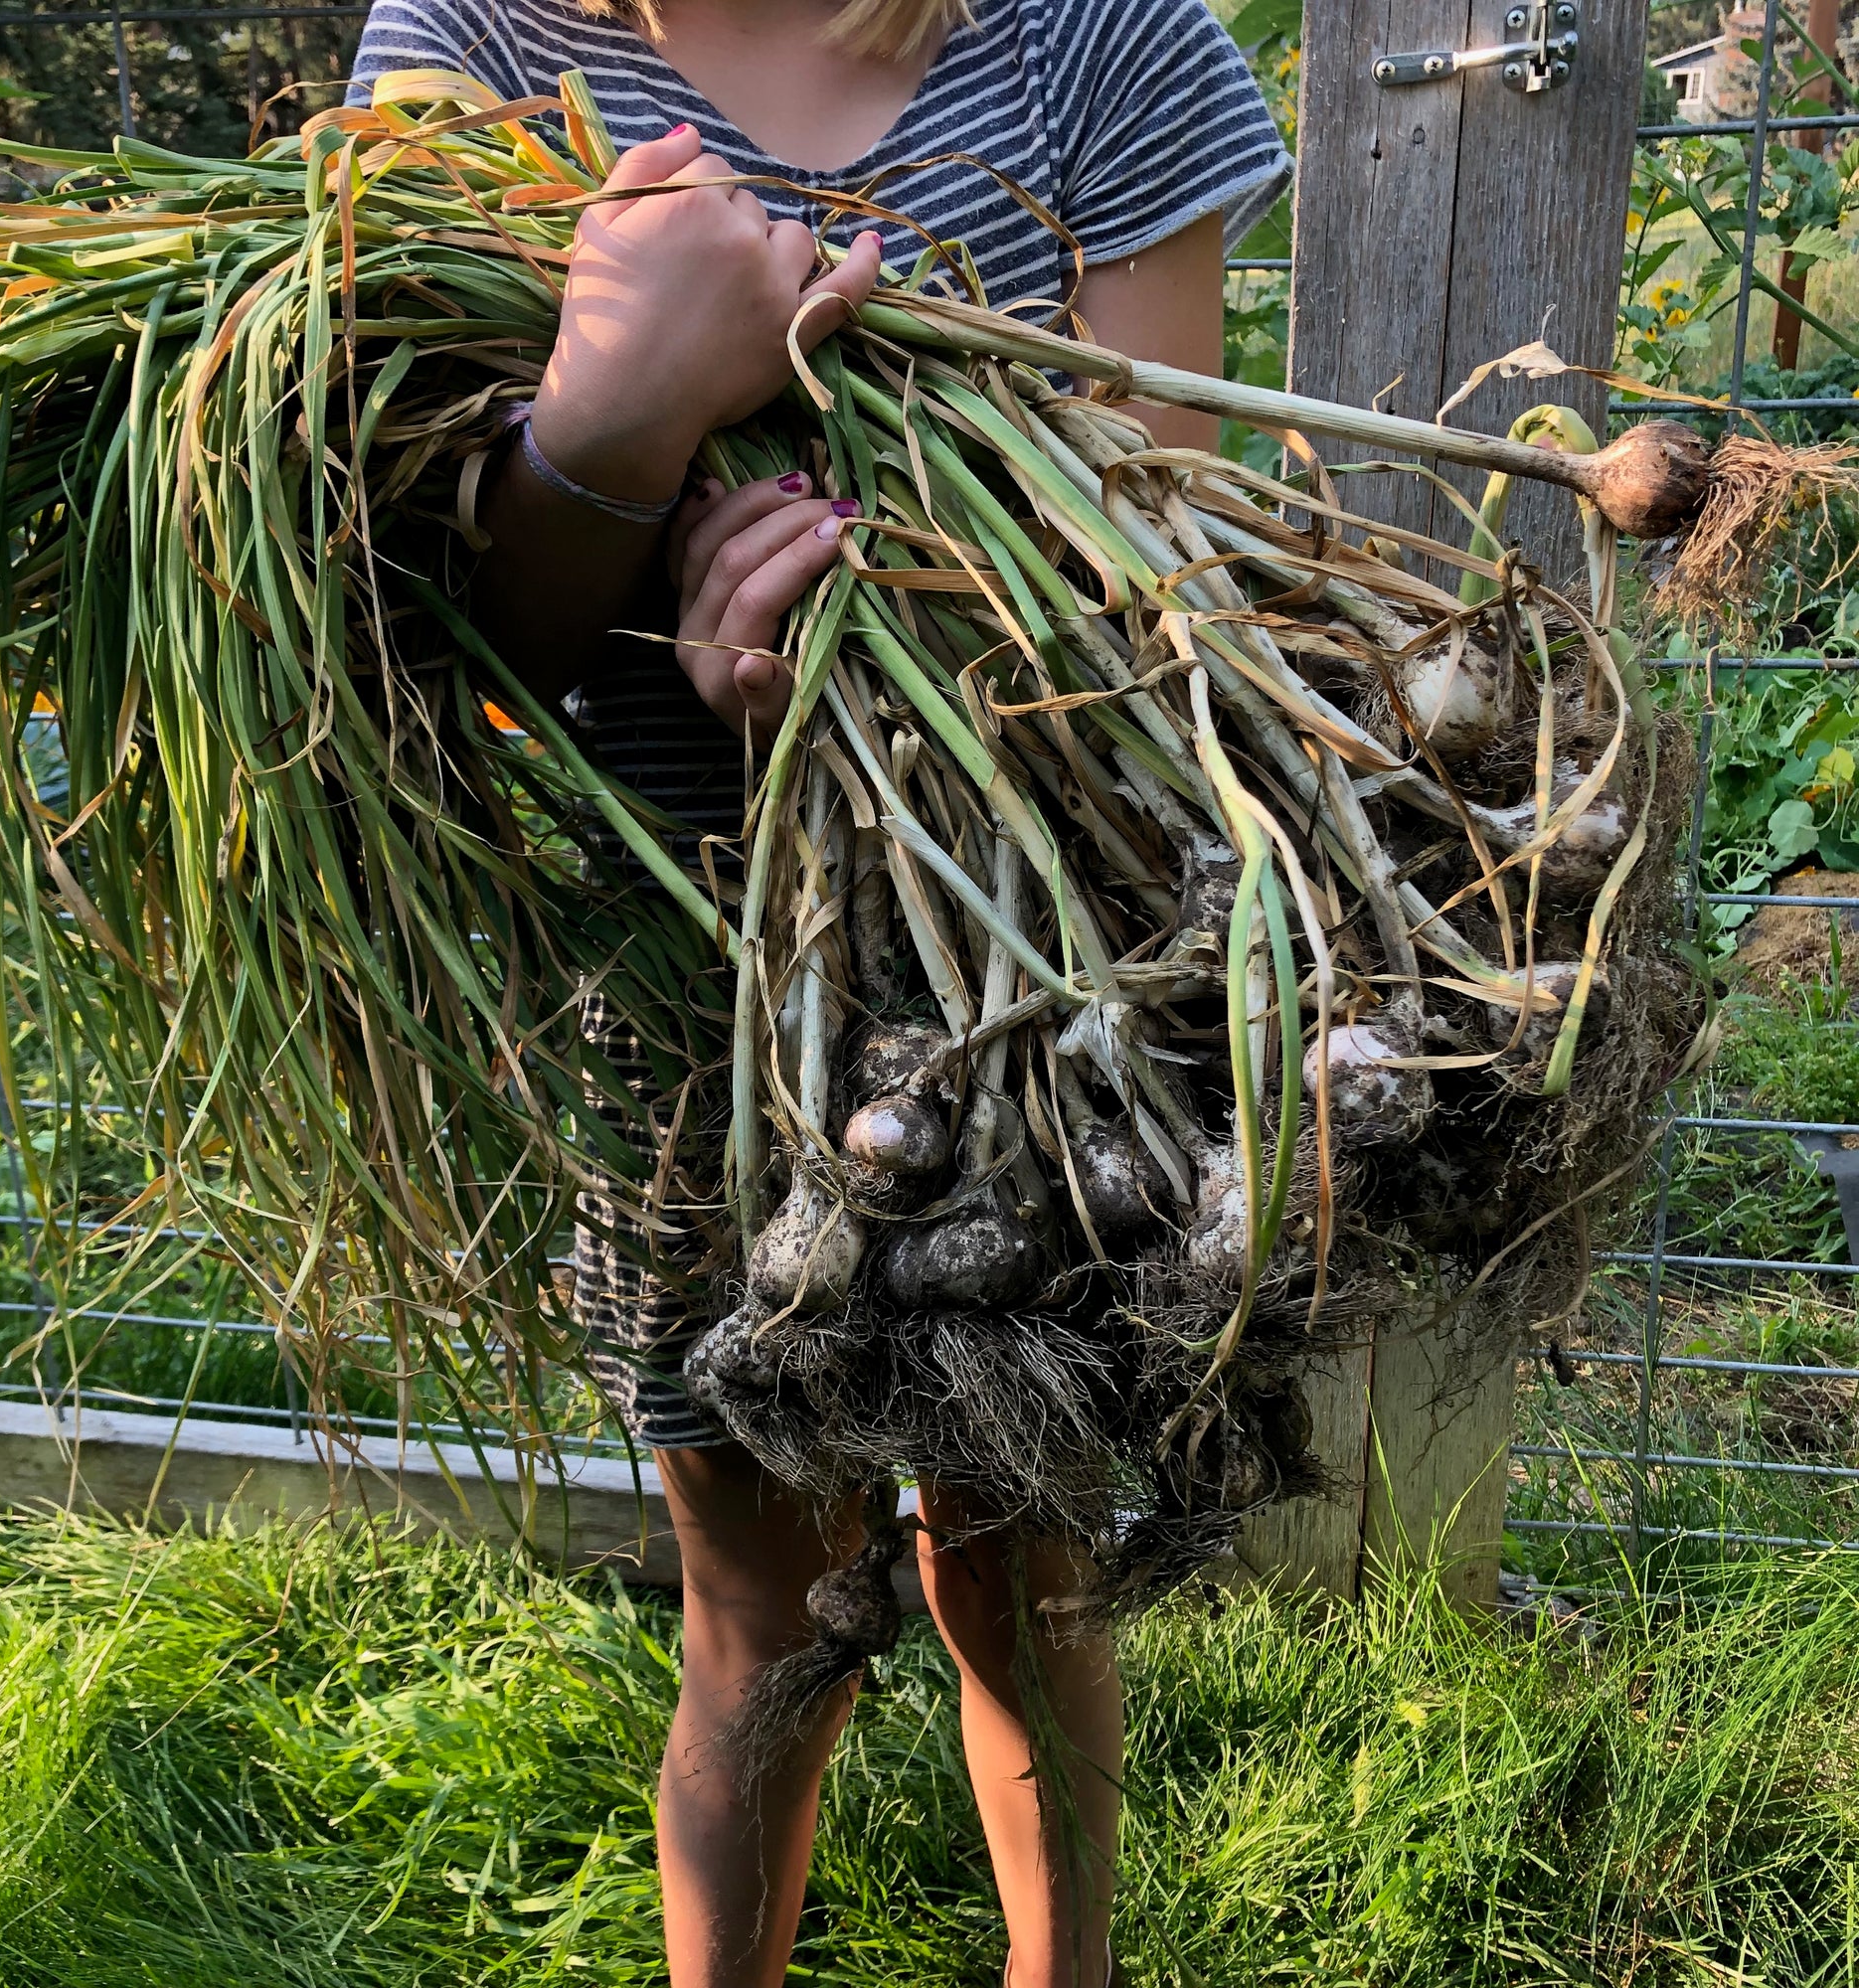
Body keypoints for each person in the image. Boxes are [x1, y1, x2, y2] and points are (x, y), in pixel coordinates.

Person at [348, 3, 1287, 1980]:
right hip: (678, 985)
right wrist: (614, 430)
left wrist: (855, 628)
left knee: (1020, 1560)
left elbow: (1144, 566)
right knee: (753, 1604)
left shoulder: (1095, 44)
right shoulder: (468, 43)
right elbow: (448, 629)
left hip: (1018, 978)